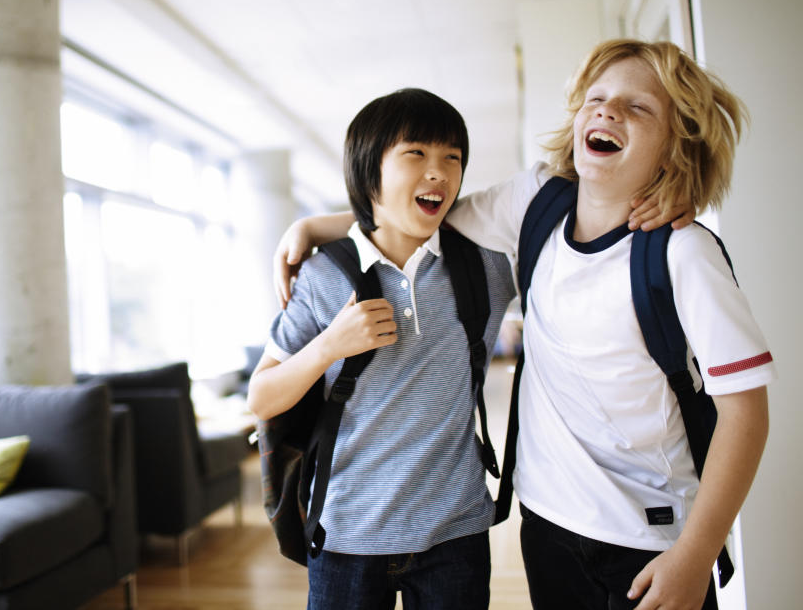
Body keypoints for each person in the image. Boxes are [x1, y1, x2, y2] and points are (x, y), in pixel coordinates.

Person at [274, 39, 773, 610]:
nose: (608, 112)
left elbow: (746, 414)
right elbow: (418, 217)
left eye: (638, 108)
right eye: (597, 98)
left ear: (674, 147)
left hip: (650, 542)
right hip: (547, 527)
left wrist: (697, 553)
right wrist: (319, 227)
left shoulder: (684, 253)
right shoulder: (538, 200)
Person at [247, 87, 516, 610]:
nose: (438, 172)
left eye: (452, 158)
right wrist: (329, 346)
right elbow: (261, 398)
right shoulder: (324, 275)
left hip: (455, 534)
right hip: (348, 536)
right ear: (370, 172)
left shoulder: (484, 268)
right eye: (416, 154)